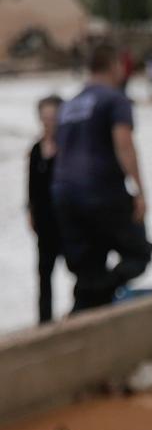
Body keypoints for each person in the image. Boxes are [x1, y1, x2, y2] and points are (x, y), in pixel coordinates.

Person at [53, 43, 152, 313]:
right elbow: (124, 144)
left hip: (64, 194)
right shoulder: (114, 100)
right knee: (139, 252)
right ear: (114, 66)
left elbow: (58, 150)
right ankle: (100, 292)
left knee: (88, 265)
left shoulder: (68, 105)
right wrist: (140, 191)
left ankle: (85, 310)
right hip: (101, 190)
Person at [26, 95, 63, 323]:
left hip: (67, 221)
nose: (48, 121)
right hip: (44, 221)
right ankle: (44, 321)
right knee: (44, 274)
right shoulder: (36, 149)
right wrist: (30, 211)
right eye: (44, 117)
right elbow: (31, 185)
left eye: (53, 116)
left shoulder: (69, 148)